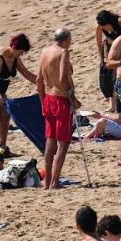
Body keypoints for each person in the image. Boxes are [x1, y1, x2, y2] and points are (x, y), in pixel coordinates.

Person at [36, 29, 82, 190]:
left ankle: (47, 182)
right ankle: (54, 182)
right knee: (63, 143)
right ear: (66, 40)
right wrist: (73, 99)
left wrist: (42, 101)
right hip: (60, 99)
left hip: (48, 98)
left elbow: (39, 80)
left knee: (50, 140)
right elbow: (63, 78)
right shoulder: (63, 52)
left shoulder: (44, 52)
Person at [94, 10, 121, 109]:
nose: (104, 28)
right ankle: (112, 104)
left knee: (119, 74)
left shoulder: (120, 22)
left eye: (105, 25)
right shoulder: (99, 27)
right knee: (108, 75)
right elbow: (99, 44)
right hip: (109, 49)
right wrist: (101, 58)